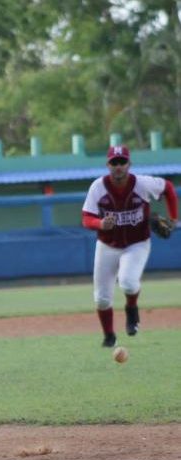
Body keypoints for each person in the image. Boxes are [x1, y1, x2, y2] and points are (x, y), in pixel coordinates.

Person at [82, 145, 178, 347]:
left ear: (129, 164)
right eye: (114, 162)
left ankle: (131, 309)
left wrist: (174, 218)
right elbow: (86, 218)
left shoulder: (142, 184)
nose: (118, 166)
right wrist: (99, 223)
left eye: (122, 162)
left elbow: (168, 188)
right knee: (101, 299)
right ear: (108, 165)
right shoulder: (97, 187)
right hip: (107, 245)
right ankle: (109, 336)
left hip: (137, 244)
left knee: (128, 283)